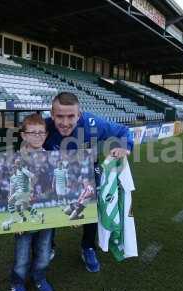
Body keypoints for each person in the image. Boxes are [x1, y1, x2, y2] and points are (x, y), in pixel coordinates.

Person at [44, 91, 133, 272]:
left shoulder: (92, 124)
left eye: (71, 116)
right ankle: (48, 246)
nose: (65, 122)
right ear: (52, 115)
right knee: (49, 206)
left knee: (91, 208)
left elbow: (123, 131)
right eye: (60, 116)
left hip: (86, 173)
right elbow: (23, 145)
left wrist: (124, 146)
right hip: (58, 173)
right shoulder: (44, 127)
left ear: (80, 114)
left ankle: (88, 246)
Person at [10, 113, 54, 291]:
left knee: (44, 252)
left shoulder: (53, 158)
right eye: (32, 132)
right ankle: (17, 282)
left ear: (45, 135)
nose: (37, 136)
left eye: (41, 133)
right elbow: (10, 191)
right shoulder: (14, 160)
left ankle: (39, 277)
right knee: (22, 257)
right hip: (23, 217)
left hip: (46, 216)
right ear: (23, 135)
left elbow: (57, 187)